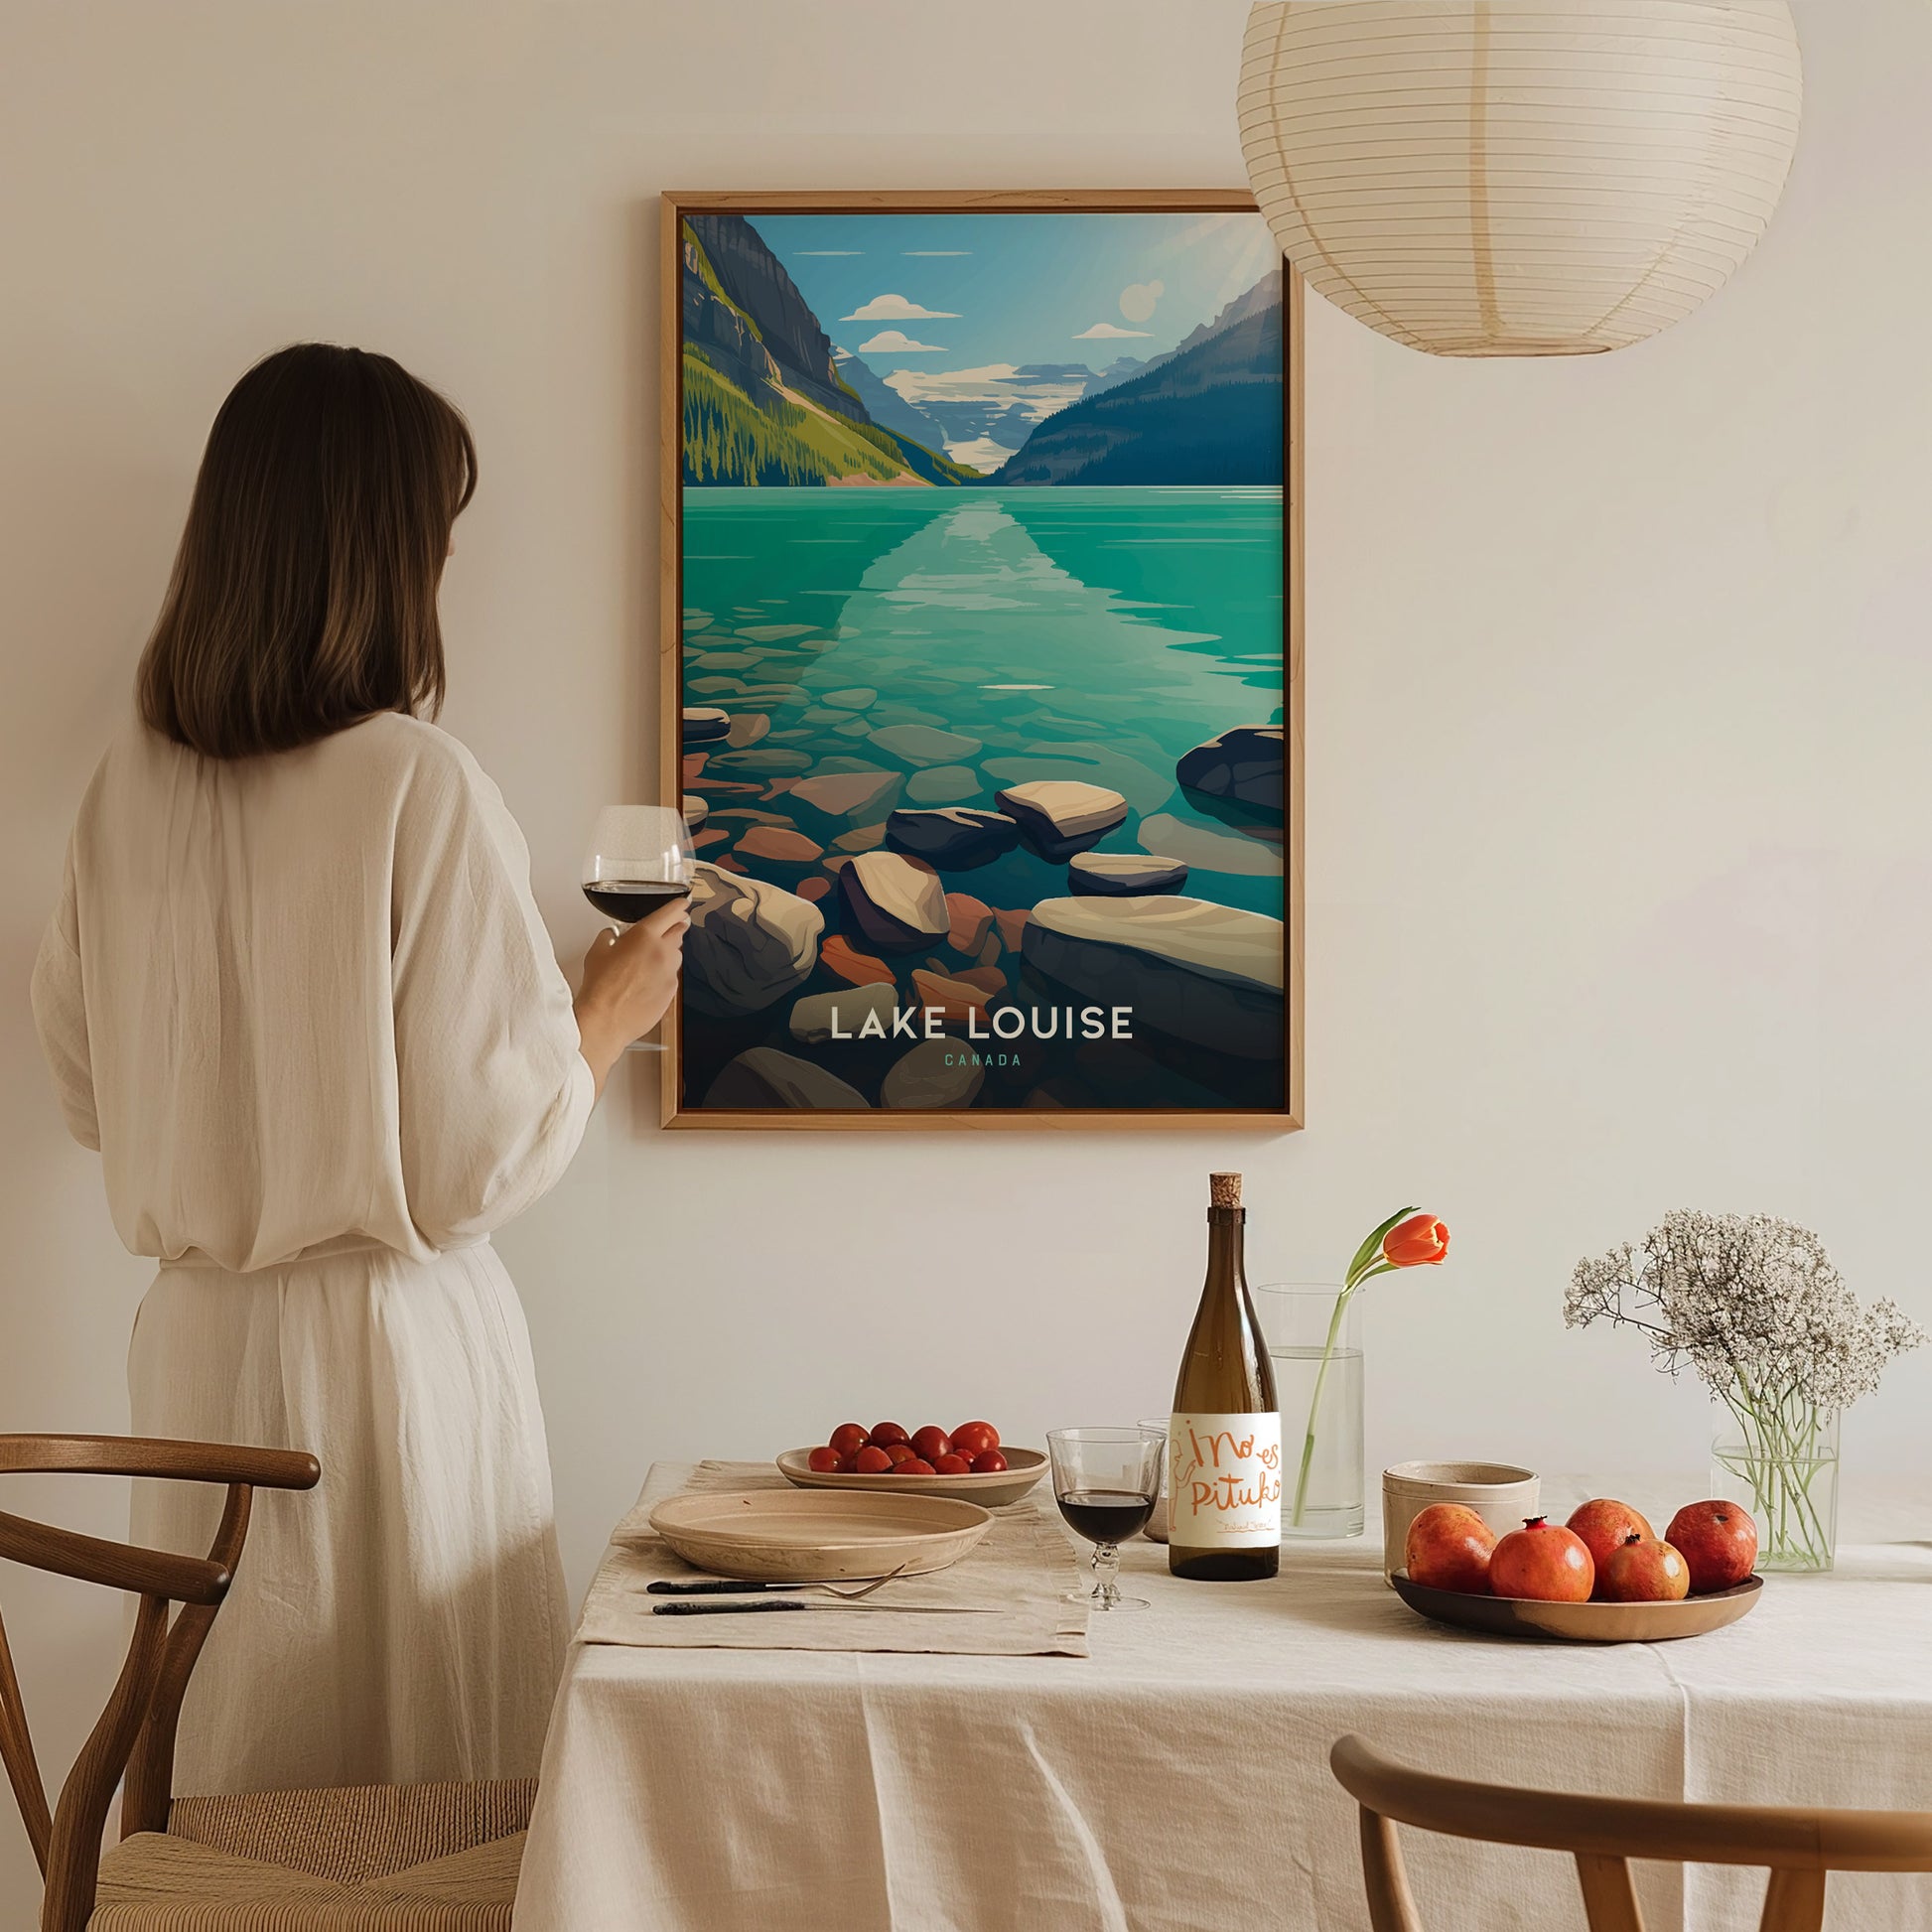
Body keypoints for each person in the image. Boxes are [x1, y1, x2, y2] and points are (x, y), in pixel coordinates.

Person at [29, 343, 685, 1793]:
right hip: (388, 1361)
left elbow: (87, 1093)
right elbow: (470, 1165)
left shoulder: (122, 790)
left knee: (240, 1774)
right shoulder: (414, 779)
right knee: (421, 1795)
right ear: (385, 551)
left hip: (196, 1350)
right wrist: (602, 1012)